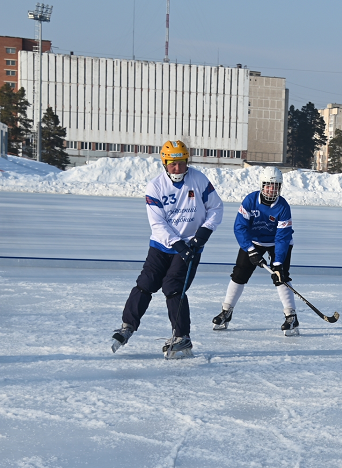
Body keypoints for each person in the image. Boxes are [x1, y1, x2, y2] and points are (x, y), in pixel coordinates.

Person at [111, 140, 223, 359]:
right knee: (146, 284)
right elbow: (157, 223)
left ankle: (182, 336)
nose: (177, 168)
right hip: (162, 245)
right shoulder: (155, 186)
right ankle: (127, 326)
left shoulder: (199, 180)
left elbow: (216, 208)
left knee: (173, 287)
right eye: (172, 164)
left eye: (181, 163)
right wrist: (177, 244)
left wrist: (202, 234)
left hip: (191, 245)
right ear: (164, 163)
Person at [211, 167, 299, 336]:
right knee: (239, 274)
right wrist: (251, 250)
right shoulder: (250, 201)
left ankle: (291, 316)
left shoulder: (283, 207)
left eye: (276, 186)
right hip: (254, 241)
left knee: (281, 276)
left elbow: (282, 237)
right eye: (268, 185)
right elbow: (240, 227)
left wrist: (278, 263)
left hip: (278, 243)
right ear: (262, 185)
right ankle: (226, 311)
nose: (272, 190)